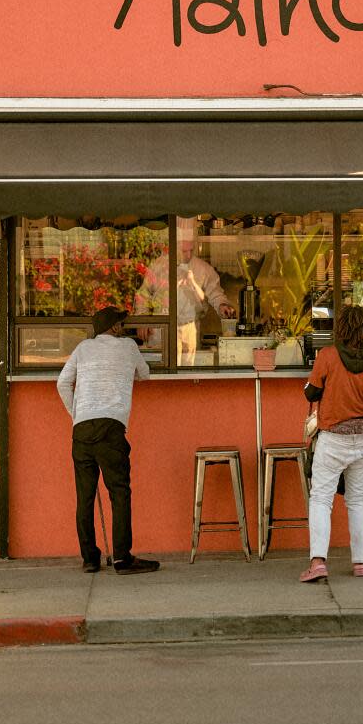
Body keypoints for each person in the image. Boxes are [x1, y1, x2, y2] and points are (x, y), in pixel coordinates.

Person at [56, 304, 160, 574]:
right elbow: (146, 374)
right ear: (114, 327)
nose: (123, 326)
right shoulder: (128, 347)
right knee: (119, 492)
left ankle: (90, 558)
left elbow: (62, 383)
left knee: (85, 497)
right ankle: (123, 558)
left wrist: (76, 413)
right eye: (120, 323)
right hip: (110, 427)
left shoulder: (82, 348)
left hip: (82, 429)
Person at [299, 305, 363, 582]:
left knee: (321, 499)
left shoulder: (327, 356)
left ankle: (318, 563)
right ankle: (361, 563)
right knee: (358, 500)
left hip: (333, 438)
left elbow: (311, 392)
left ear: (342, 329)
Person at [136, 218, 236, 364]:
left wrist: (222, 305)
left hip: (190, 331)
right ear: (175, 247)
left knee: (188, 375)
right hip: (161, 332)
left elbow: (216, 293)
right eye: (184, 251)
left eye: (191, 250)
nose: (188, 255)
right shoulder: (158, 266)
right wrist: (142, 319)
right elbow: (143, 295)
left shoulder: (203, 269)